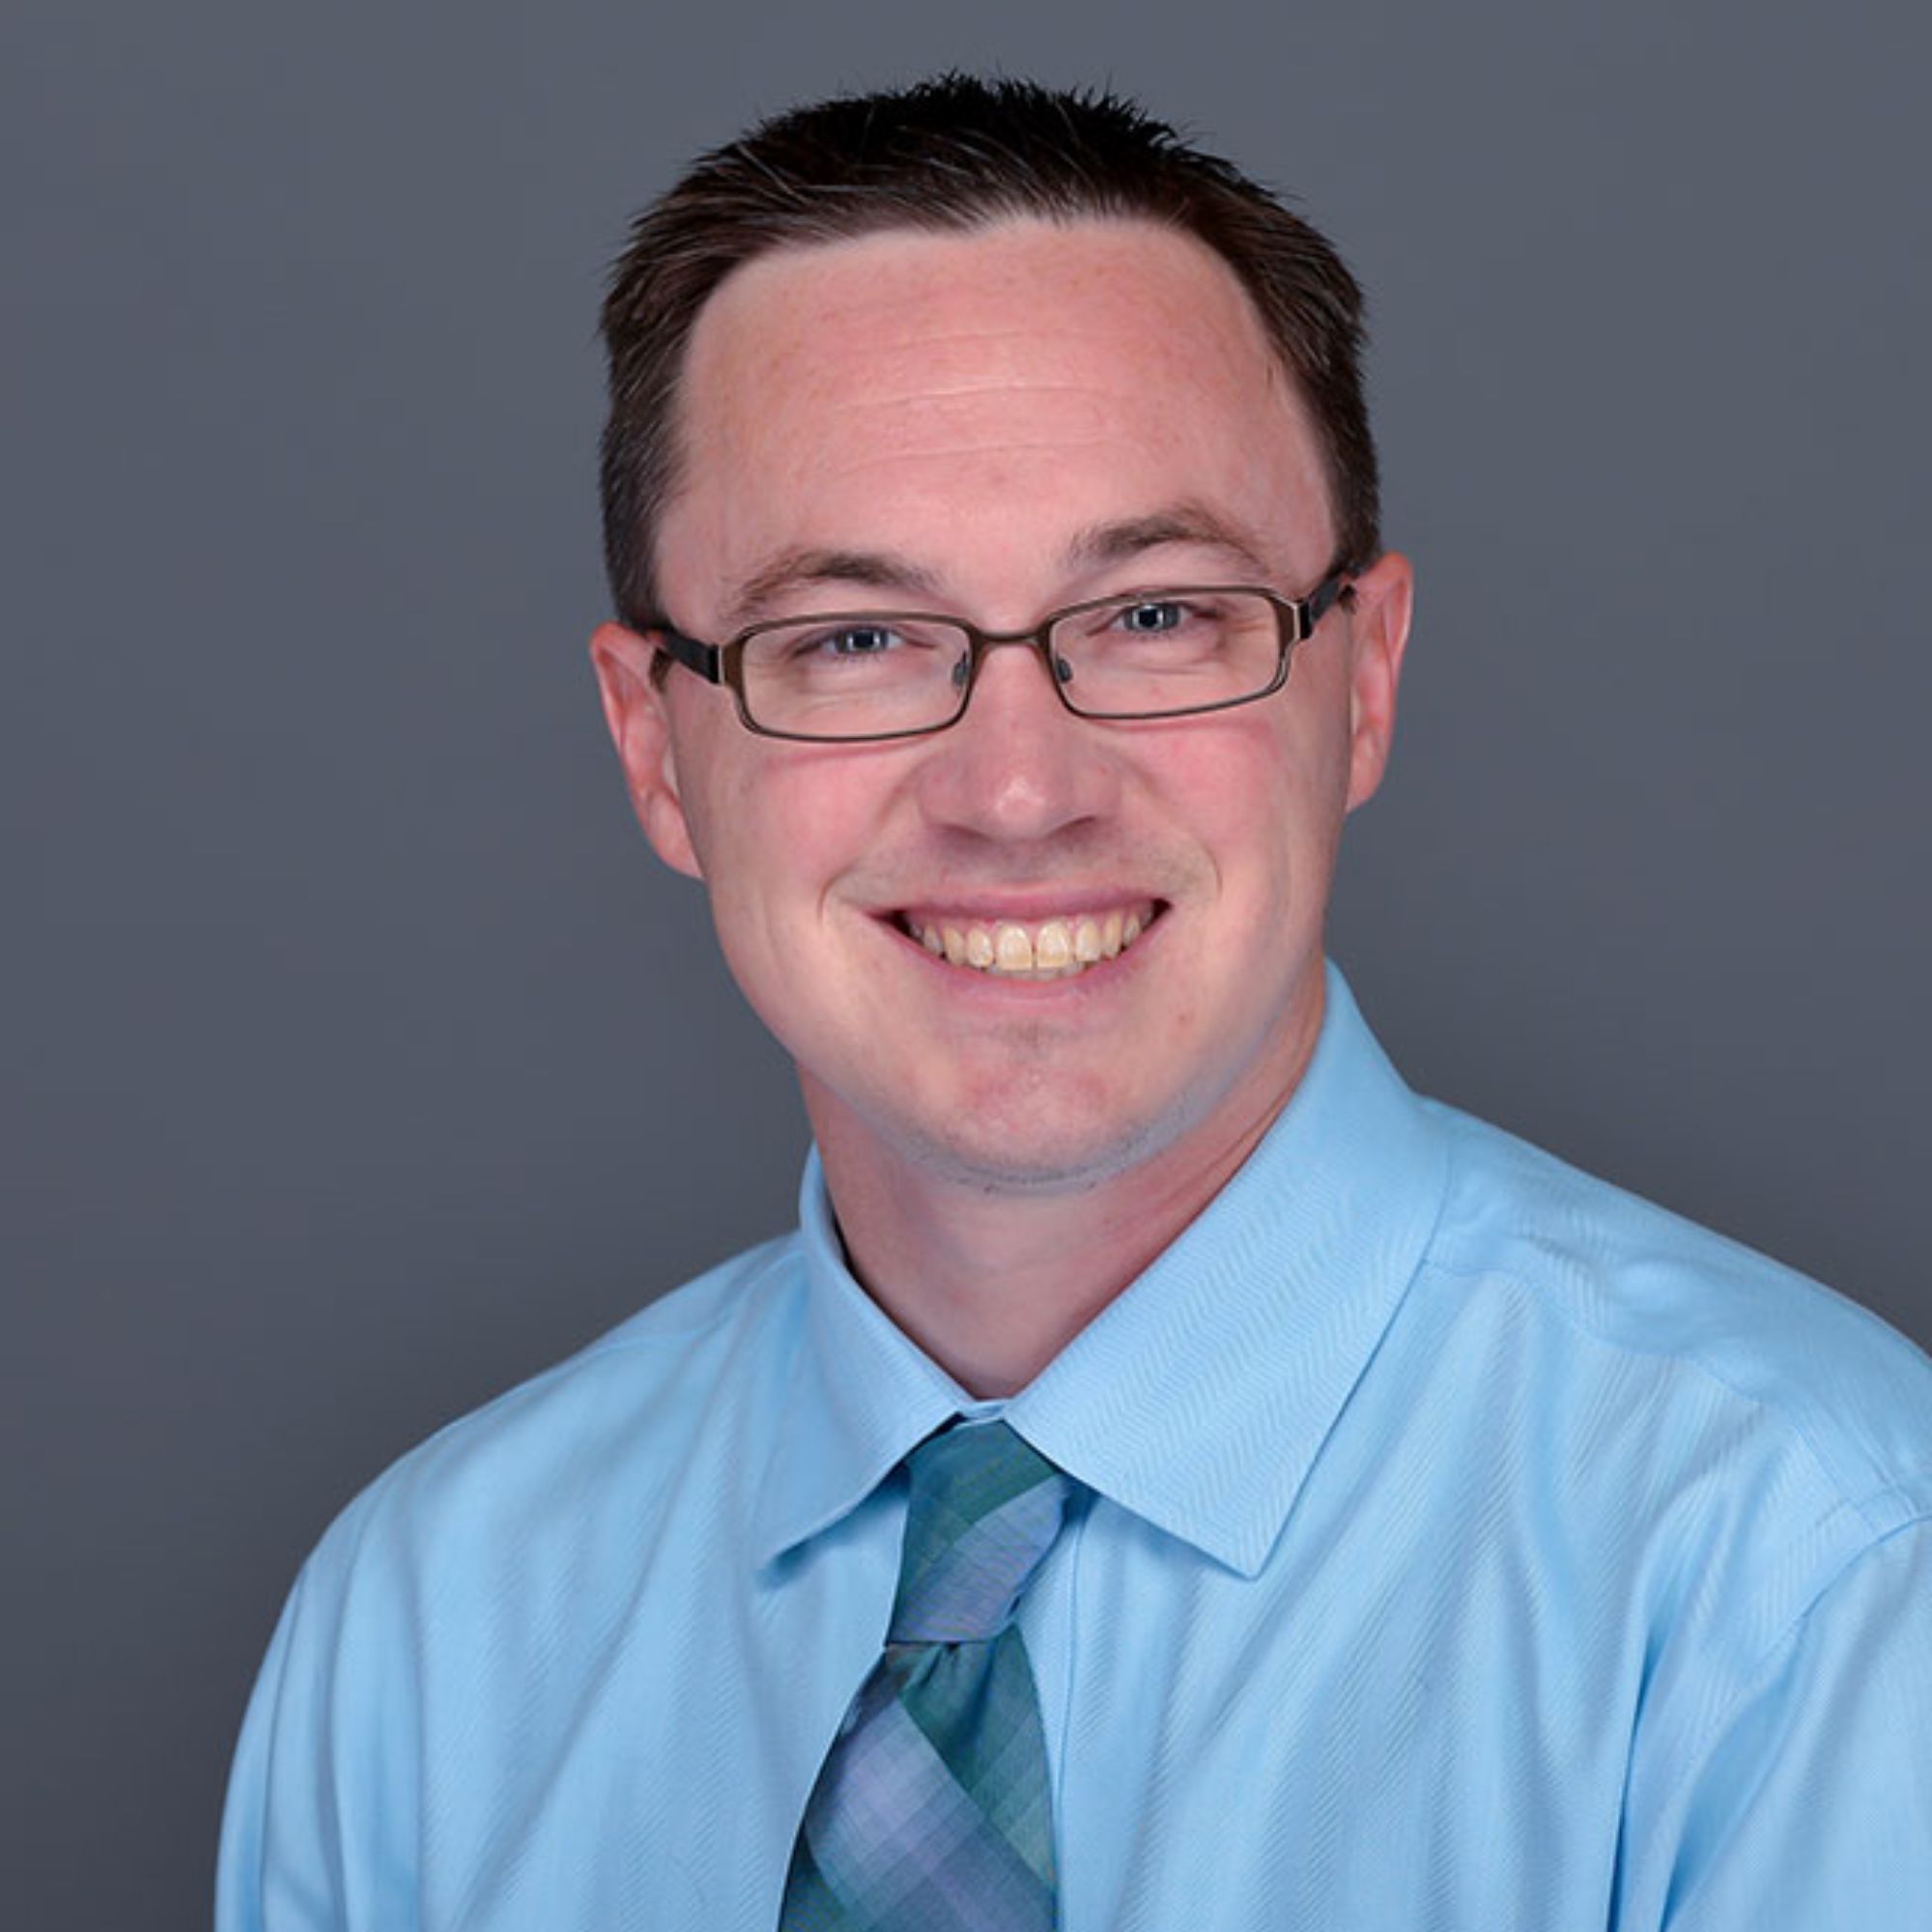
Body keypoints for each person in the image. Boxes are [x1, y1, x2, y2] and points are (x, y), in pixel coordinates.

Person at [216, 76, 1932, 1931]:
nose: (1017, 790)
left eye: (1156, 617)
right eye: (854, 641)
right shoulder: (424, 1636)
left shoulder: (1812, 1582)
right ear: (655, 748)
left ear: (1361, 684)